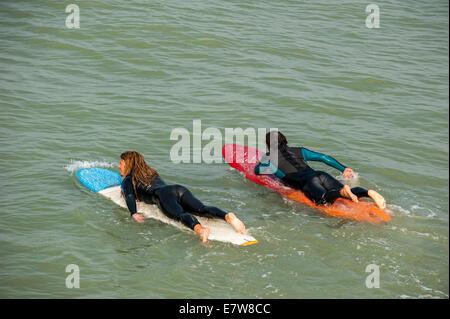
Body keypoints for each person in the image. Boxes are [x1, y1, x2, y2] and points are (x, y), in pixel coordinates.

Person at [119, 151, 246, 243]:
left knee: (179, 215)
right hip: (178, 189)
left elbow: (129, 195)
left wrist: (133, 213)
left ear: (128, 164)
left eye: (121, 163)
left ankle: (200, 229)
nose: (119, 166)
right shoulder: (150, 173)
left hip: (161, 195)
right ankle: (227, 216)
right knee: (201, 209)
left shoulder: (129, 179)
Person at [254, 131, 386, 209]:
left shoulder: (268, 158)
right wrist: (343, 168)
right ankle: (368, 193)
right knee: (349, 193)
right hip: (320, 174)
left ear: (268, 145)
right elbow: (323, 157)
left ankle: (341, 193)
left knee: (324, 200)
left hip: (308, 183)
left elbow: (257, 171)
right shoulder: (300, 150)